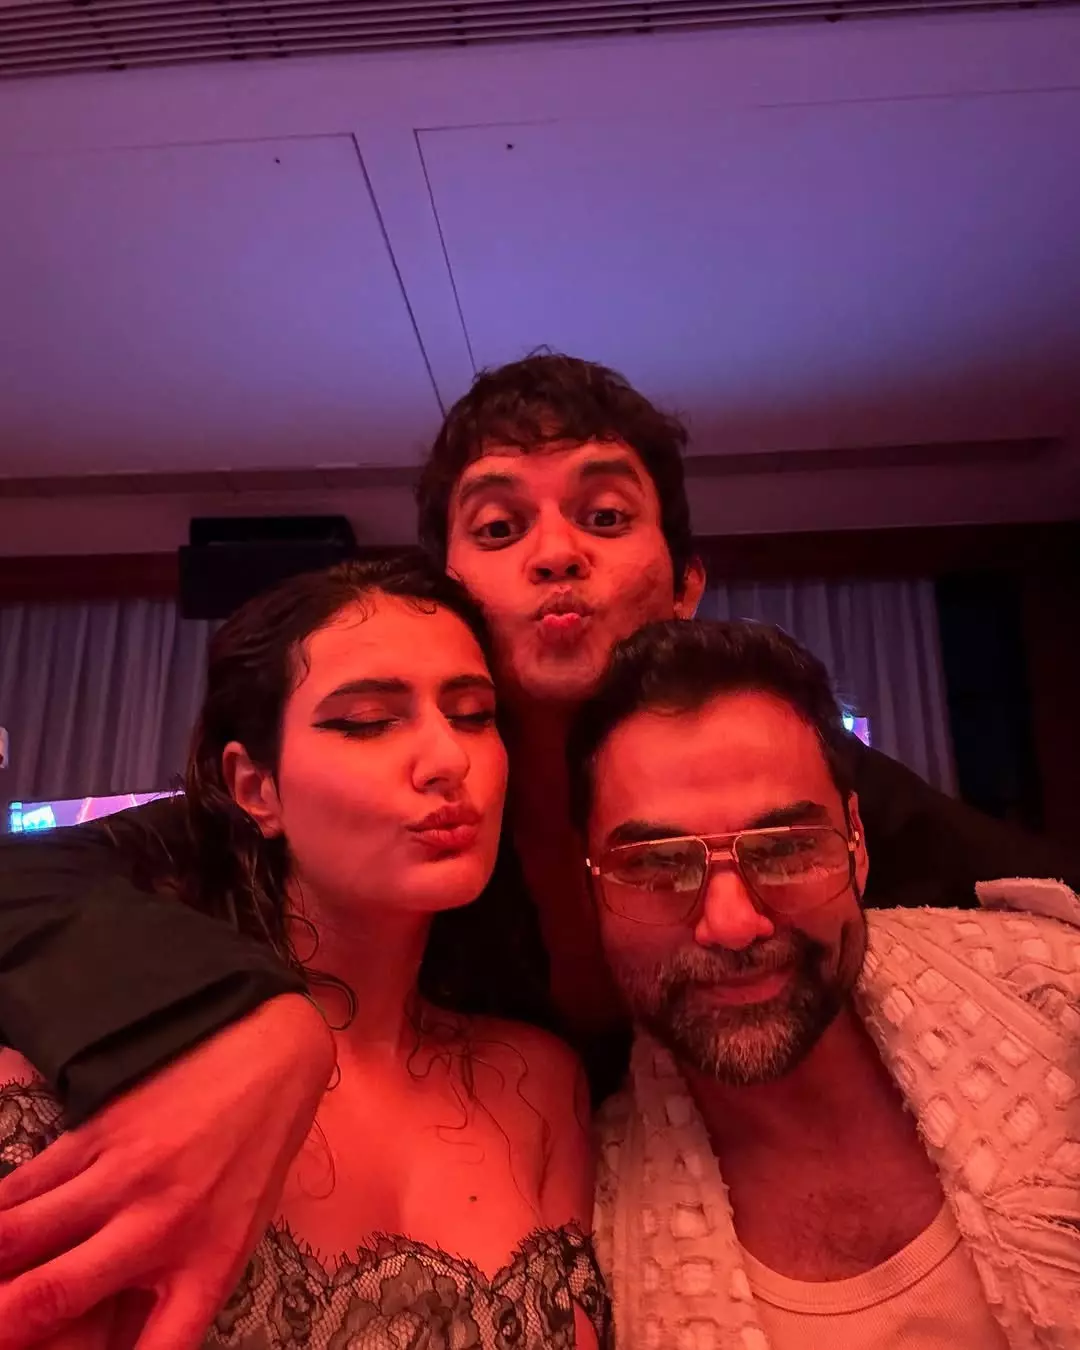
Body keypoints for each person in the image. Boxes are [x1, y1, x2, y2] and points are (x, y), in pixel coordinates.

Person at [1, 354, 1077, 1347]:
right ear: (451, 589)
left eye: (605, 517)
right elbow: (40, 880)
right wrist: (257, 1025)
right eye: (500, 528)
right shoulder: (377, 823)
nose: (558, 554)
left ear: (685, 584)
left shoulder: (773, 778)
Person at [0, 555, 610, 1350]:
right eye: (366, 722)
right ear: (257, 788)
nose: (448, 761)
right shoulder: (82, 1058)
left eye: (471, 714)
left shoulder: (541, 1081)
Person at [573, 618, 1080, 1348]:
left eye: (785, 849)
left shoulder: (1049, 997)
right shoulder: (591, 1226)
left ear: (857, 845)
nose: (733, 924)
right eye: (655, 865)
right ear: (590, 886)